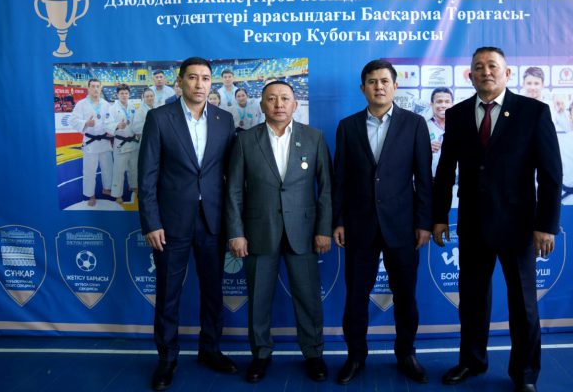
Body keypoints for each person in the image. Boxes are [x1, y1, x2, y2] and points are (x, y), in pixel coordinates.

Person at [432, 47, 562, 392]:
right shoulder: (458, 114)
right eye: (478, 67)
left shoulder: (533, 112)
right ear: (470, 75)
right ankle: (471, 361)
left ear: (507, 73)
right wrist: (439, 216)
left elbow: (551, 174)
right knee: (472, 300)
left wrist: (546, 225)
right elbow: (445, 170)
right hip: (473, 224)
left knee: (523, 304)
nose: (485, 71)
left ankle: (525, 374)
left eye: (492, 66)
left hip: (518, 226)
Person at [138, 57, 237, 391]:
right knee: (168, 294)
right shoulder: (159, 118)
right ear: (179, 81)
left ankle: (210, 350)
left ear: (212, 83)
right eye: (192, 77)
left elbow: (231, 176)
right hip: (170, 224)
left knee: (213, 292)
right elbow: (147, 175)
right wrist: (151, 222)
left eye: (205, 78)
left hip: (213, 221)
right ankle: (167, 359)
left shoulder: (225, 119)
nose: (199, 84)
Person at [332, 60, 433, 384]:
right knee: (356, 296)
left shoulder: (415, 124)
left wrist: (424, 222)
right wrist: (338, 220)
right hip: (359, 225)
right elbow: (339, 179)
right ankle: (355, 356)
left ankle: (406, 354)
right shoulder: (347, 127)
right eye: (372, 82)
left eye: (384, 81)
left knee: (405, 296)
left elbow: (424, 178)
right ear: (362, 88)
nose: (379, 87)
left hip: (402, 226)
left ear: (395, 86)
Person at [225, 80, 332, 384]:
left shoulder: (314, 137)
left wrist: (324, 229)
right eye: (271, 99)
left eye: (285, 98)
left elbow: (326, 188)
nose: (279, 104)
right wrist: (236, 232)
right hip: (259, 231)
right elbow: (234, 191)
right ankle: (260, 355)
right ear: (262, 105)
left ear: (295, 104)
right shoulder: (245, 141)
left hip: (304, 233)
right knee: (259, 298)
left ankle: (313, 353)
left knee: (308, 298)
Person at [69, 78, 113, 206]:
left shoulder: (106, 104)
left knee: (108, 167)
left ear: (101, 88)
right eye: (93, 86)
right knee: (89, 170)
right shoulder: (81, 104)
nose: (95, 89)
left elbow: (110, 121)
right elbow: (73, 120)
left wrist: (113, 129)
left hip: (104, 140)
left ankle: (107, 188)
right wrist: (86, 123)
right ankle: (90, 195)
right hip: (90, 142)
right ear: (88, 88)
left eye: (98, 86)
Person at [105, 84, 138, 204]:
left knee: (134, 167)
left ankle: (133, 185)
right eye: (121, 93)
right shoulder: (112, 108)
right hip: (121, 143)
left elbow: (136, 122)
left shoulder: (133, 106)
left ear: (129, 94)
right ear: (117, 95)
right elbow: (107, 124)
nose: (124, 95)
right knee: (119, 170)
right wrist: (117, 125)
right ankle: (117, 194)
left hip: (133, 141)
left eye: (126, 93)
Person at [520, 67, 569, 132]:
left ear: (543, 85)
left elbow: (567, 129)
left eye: (536, 83)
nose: (532, 87)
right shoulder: (515, 106)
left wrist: (561, 113)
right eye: (529, 83)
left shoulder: (552, 106)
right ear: (523, 84)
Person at [427, 87, 454, 176]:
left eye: (447, 102)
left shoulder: (461, 126)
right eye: (439, 101)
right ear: (431, 104)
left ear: (452, 104)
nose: (443, 105)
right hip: (430, 178)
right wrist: (425, 149)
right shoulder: (422, 125)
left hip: (456, 180)